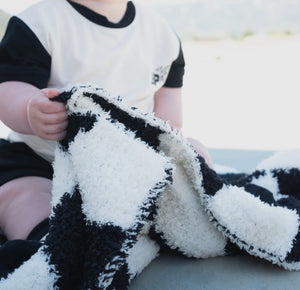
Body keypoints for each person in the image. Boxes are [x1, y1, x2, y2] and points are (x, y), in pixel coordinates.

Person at [0, 0, 213, 244]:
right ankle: (53, 242)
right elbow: (9, 85)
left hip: (130, 165)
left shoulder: (161, 34)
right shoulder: (39, 23)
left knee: (194, 153)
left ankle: (190, 215)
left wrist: (167, 143)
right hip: (44, 160)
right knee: (22, 195)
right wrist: (29, 109)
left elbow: (168, 105)